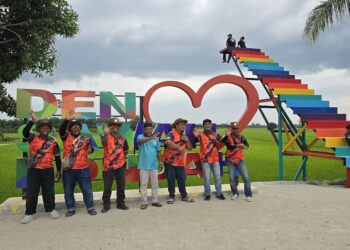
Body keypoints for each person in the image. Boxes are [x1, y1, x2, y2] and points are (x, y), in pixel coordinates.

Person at [21, 111, 61, 224]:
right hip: (34, 170)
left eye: (47, 128)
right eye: (42, 128)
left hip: (48, 169)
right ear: (38, 129)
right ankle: (29, 213)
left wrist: (58, 170)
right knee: (32, 192)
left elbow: (57, 157)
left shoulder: (53, 141)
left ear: (49, 130)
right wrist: (32, 121)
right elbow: (25, 132)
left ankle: (51, 210)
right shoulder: (32, 138)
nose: (45, 129)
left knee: (49, 191)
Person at [59, 111, 97, 216]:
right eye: (73, 126)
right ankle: (70, 209)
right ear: (70, 128)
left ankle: (90, 207)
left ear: (80, 128)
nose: (75, 127)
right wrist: (66, 120)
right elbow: (61, 130)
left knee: (87, 190)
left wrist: (91, 150)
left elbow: (91, 148)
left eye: (77, 126)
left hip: (83, 168)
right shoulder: (65, 137)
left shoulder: (86, 139)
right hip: (68, 169)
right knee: (68, 191)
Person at [162, 118, 194, 204]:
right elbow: (168, 142)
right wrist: (178, 148)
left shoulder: (184, 136)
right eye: (182, 125)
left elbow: (190, 148)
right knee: (171, 179)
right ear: (177, 126)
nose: (184, 126)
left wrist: (187, 140)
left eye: (184, 125)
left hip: (180, 162)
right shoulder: (171, 133)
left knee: (182, 179)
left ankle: (184, 196)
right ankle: (171, 196)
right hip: (170, 162)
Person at [100, 119, 129, 212]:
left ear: (119, 127)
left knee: (121, 185)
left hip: (120, 166)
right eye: (113, 125)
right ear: (110, 127)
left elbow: (126, 150)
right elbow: (103, 143)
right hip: (108, 166)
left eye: (117, 125)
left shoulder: (123, 138)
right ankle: (106, 205)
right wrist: (105, 133)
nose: (115, 126)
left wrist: (121, 159)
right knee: (107, 187)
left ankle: (120, 203)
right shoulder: (106, 137)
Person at [193, 119, 225, 201]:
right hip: (205, 160)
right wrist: (195, 136)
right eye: (206, 124)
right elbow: (194, 141)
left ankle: (219, 193)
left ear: (211, 126)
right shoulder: (200, 135)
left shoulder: (215, 134)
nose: (207, 125)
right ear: (203, 126)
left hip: (215, 159)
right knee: (206, 178)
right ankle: (207, 194)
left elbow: (224, 142)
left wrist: (217, 141)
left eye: (209, 124)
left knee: (217, 177)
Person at [221, 122, 252, 202]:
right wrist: (238, 145)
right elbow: (229, 146)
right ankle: (235, 193)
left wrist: (244, 146)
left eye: (236, 128)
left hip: (240, 159)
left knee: (246, 177)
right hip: (230, 159)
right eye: (233, 129)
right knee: (232, 178)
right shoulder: (227, 137)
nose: (235, 130)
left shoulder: (241, 137)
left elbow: (247, 145)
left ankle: (248, 195)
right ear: (230, 129)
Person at [137, 123, 163, 209]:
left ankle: (155, 201)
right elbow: (140, 142)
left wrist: (161, 161)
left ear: (152, 129)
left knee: (155, 184)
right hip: (143, 165)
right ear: (144, 130)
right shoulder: (140, 136)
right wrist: (151, 137)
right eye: (147, 129)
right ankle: (144, 202)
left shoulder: (156, 139)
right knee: (143, 184)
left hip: (153, 165)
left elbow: (158, 151)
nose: (148, 130)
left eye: (150, 129)